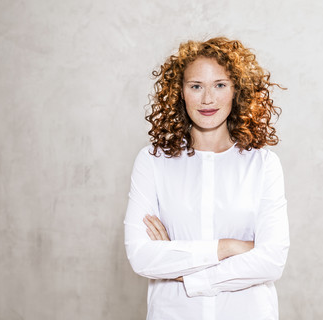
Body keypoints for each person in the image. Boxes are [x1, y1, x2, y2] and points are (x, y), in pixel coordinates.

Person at [124, 37, 289, 320]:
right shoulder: (152, 162)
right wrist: (228, 247)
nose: (207, 99)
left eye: (220, 85)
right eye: (196, 86)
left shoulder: (263, 165)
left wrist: (186, 272)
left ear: (237, 91)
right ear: (180, 92)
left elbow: (271, 261)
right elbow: (142, 256)